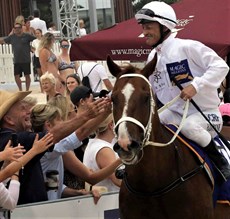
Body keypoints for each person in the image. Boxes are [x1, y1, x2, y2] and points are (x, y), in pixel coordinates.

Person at [135, 1, 230, 181]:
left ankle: (220, 162)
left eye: (149, 27)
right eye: (143, 27)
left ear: (165, 27)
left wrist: (196, 86)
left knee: (189, 127)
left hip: (206, 115)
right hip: (174, 113)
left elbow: (221, 66)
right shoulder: (152, 56)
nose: (144, 32)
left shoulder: (188, 47)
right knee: (146, 126)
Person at [0, 89, 110, 204]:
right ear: (9, 119)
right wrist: (87, 115)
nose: (28, 112)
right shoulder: (17, 140)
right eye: (22, 109)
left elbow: (47, 184)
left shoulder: (15, 139)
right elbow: (62, 135)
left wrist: (77, 192)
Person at [83, 114, 121, 191]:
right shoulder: (104, 150)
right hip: (109, 200)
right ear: (111, 125)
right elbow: (118, 180)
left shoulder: (95, 143)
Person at [0, 23, 36, 91]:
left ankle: (27, 90)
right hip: (17, 60)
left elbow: (36, 39)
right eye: (15, 28)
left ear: (21, 28)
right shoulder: (12, 37)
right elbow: (3, 40)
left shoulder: (27, 36)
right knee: (16, 75)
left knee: (27, 75)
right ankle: (20, 90)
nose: (17, 29)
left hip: (26, 59)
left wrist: (32, 47)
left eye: (18, 27)